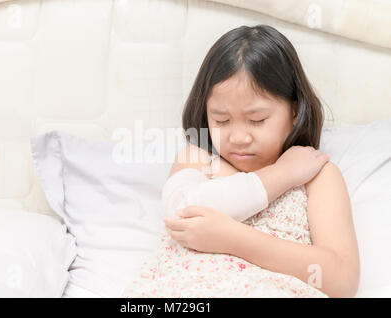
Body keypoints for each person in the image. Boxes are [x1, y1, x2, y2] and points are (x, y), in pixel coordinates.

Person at [122, 25, 359, 298]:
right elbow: (180, 212)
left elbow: (342, 281)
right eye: (221, 120)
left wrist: (234, 239)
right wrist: (280, 175)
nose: (238, 137)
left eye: (257, 120)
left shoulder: (316, 176)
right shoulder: (198, 158)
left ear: (294, 111)